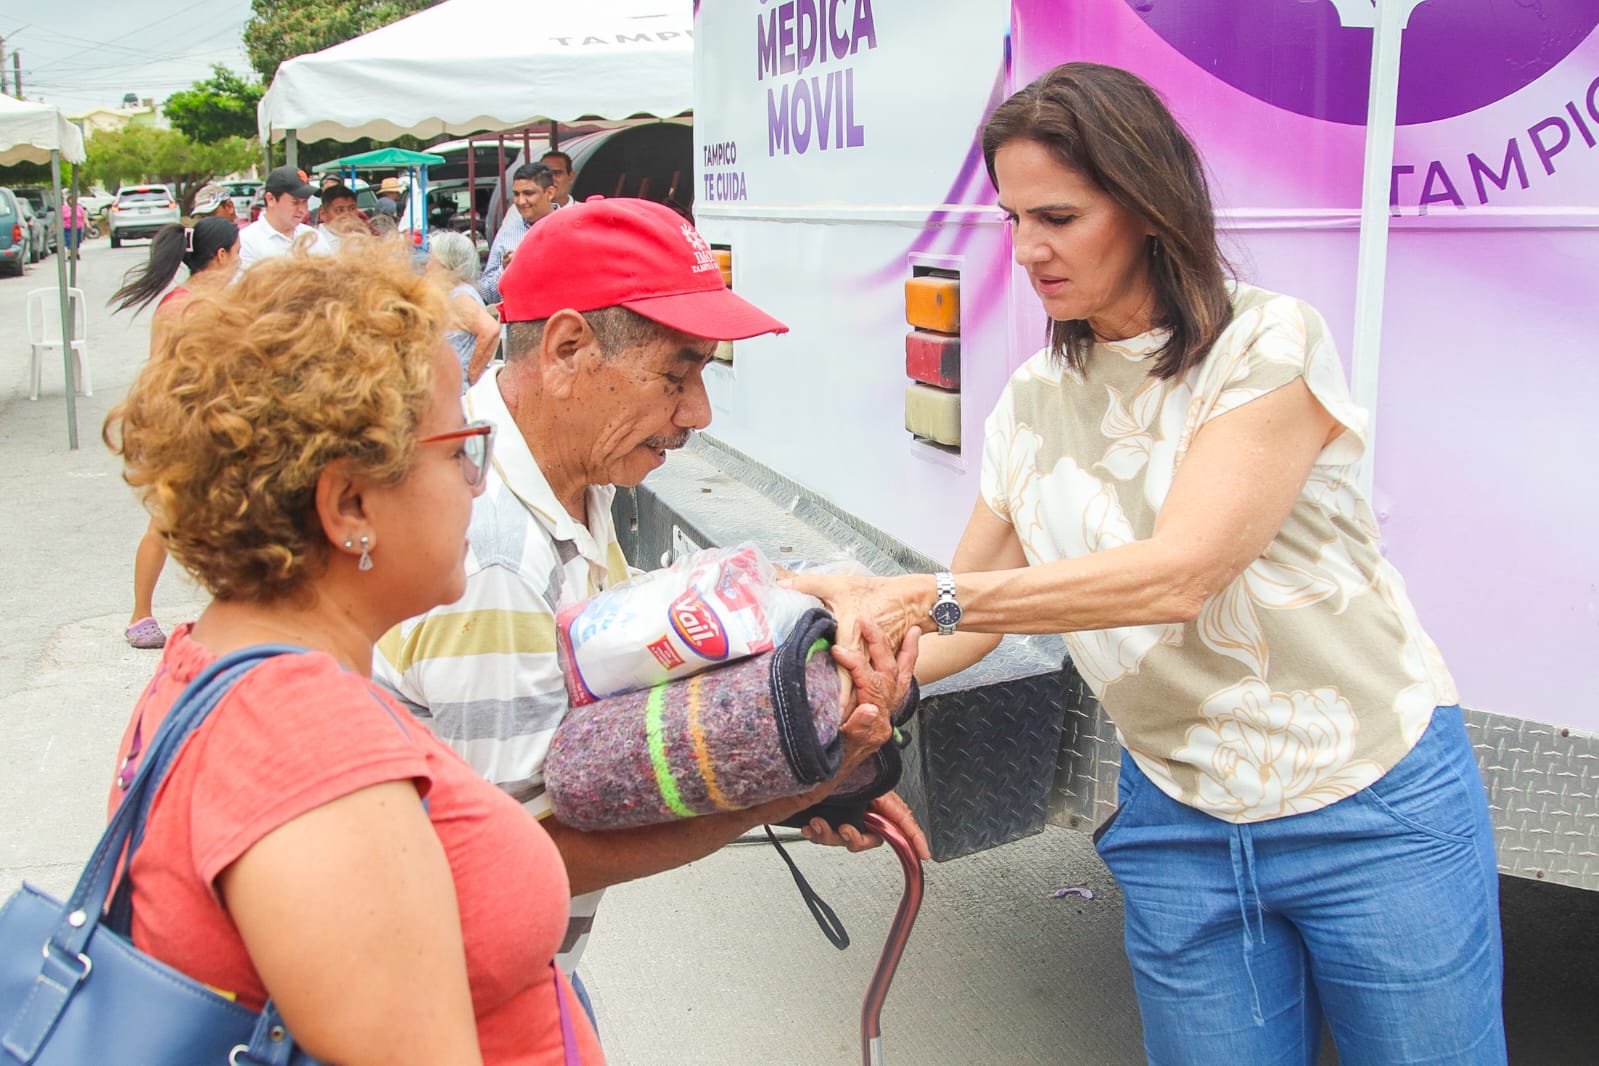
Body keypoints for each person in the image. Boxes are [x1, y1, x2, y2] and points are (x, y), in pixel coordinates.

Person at [790, 63, 1506, 1066]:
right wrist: (833, 716)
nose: (1028, 249)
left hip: (1369, 798)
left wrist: (920, 598)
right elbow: (971, 626)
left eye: (1059, 215)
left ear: (1148, 206)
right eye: (1012, 219)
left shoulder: (1266, 343)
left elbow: (1178, 573)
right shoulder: (1034, 401)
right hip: (1180, 818)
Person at [373, 198, 927, 1016]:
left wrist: (794, 746)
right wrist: (798, 789)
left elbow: (611, 682)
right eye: (677, 374)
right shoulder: (492, 550)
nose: (697, 413)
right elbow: (518, 858)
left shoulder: (561, 477)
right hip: (465, 994)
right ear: (566, 348)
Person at [102, 240, 603, 1064]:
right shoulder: (308, 742)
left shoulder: (222, 664)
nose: (477, 484)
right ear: (349, 503)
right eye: (457, 453)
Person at [108, 216, 242, 649]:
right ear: (220, 256)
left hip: (187, 423)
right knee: (172, 521)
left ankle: (153, 615)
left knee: (190, 521)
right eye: (237, 253)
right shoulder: (195, 307)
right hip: (188, 426)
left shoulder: (181, 301)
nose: (240, 262)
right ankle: (141, 615)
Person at [428, 230, 500, 390]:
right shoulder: (455, 293)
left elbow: (491, 329)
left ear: (445, 265)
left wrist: (473, 372)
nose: (427, 266)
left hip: (460, 393)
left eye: (431, 261)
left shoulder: (460, 298)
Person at [479, 163, 555, 306]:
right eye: (516, 194)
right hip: (519, 323)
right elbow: (488, 294)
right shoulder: (507, 233)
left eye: (528, 193)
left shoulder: (571, 225)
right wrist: (505, 269)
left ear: (549, 193)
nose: (520, 201)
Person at [238, 166, 325, 269]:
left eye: (305, 201)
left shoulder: (314, 238)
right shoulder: (247, 241)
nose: (303, 210)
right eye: (295, 202)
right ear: (271, 199)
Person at [315, 182, 366, 251]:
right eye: (340, 210)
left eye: (352, 208)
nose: (347, 214)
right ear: (323, 213)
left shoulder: (361, 240)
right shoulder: (313, 241)